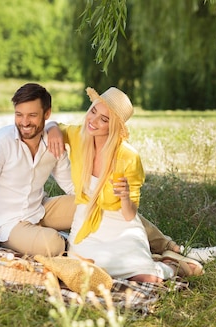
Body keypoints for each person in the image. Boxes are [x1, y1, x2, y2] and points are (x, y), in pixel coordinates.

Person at [0, 83, 216, 264]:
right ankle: (116, 254)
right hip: (8, 224)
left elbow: (71, 185)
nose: (25, 122)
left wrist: (99, 202)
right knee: (55, 246)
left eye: (33, 116)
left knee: (107, 203)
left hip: (40, 210)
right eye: (19, 115)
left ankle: (172, 248)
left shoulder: (53, 141)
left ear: (46, 114)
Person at [55, 86, 198, 282]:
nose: (93, 121)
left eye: (104, 119)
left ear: (113, 126)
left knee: (147, 278)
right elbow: (55, 127)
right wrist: (53, 129)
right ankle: (155, 258)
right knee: (86, 274)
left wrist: (125, 196)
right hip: (87, 224)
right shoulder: (79, 136)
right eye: (94, 111)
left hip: (120, 226)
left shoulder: (129, 157)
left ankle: (171, 266)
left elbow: (130, 214)